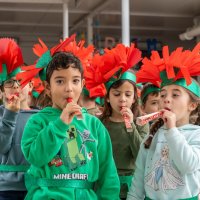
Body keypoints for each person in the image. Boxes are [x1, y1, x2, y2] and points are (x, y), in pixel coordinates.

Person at [19, 36, 120, 200]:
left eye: (75, 81)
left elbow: (108, 174)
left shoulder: (94, 125)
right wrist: (60, 123)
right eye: (60, 81)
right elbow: (36, 157)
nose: (69, 88)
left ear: (83, 84)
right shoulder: (37, 122)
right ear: (47, 88)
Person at [127, 44, 200, 200]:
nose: (166, 99)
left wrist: (172, 130)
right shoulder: (151, 137)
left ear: (192, 106)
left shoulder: (196, 135)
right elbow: (138, 181)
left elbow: (188, 165)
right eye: (163, 95)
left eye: (175, 95)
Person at [84, 43, 149, 199]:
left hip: (133, 185)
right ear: (107, 97)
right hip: (104, 184)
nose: (122, 99)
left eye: (128, 94)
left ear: (135, 98)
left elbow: (141, 155)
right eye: (117, 94)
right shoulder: (98, 123)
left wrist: (130, 125)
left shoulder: (142, 122)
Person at [0, 38, 38, 200]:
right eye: (10, 82)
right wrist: (10, 114)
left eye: (21, 81)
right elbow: (2, 147)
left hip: (36, 185)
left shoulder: (40, 117)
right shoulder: (1, 114)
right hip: (5, 188)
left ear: (31, 87)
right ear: (2, 91)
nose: (16, 86)